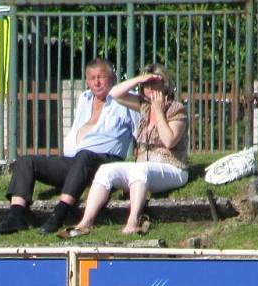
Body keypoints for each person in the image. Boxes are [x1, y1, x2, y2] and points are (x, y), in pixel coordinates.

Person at [0, 58, 139, 236]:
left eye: (101, 77)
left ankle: (59, 214)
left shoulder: (127, 101)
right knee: (26, 161)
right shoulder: (85, 98)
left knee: (85, 155)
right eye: (92, 78)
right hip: (74, 162)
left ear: (112, 77)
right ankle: (16, 215)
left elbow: (140, 134)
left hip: (104, 163)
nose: (96, 82)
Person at [60, 63, 188, 237]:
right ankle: (86, 222)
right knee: (105, 170)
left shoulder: (176, 109)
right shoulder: (143, 106)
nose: (149, 89)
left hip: (172, 167)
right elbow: (113, 94)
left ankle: (133, 221)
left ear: (164, 86)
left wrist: (158, 112)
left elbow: (169, 140)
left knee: (139, 169)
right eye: (146, 86)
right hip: (145, 167)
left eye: (154, 84)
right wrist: (139, 79)